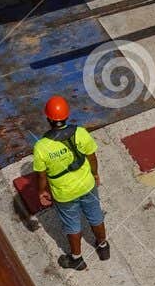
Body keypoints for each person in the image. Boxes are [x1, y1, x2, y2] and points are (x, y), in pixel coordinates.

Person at [32, 95, 110, 271]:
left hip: (64, 193)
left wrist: (41, 191)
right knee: (95, 215)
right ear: (67, 116)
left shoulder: (41, 147)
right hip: (87, 185)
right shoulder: (80, 133)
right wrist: (95, 175)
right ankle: (103, 247)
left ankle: (77, 259)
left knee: (72, 225)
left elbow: (42, 175)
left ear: (48, 119)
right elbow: (92, 157)